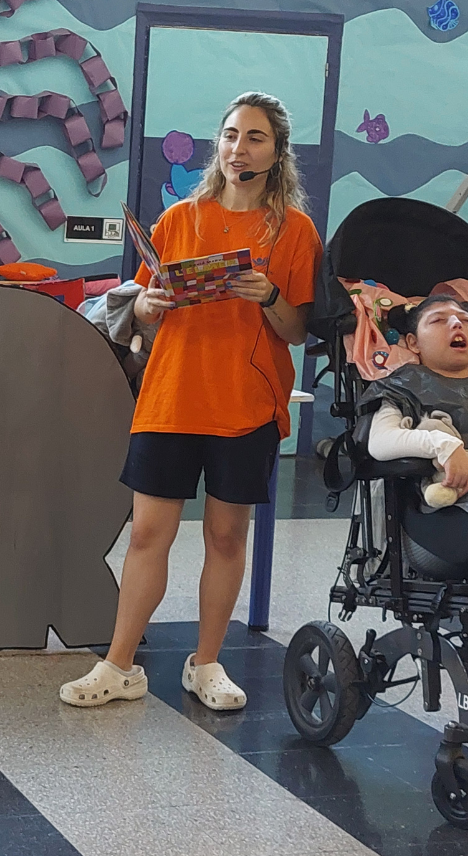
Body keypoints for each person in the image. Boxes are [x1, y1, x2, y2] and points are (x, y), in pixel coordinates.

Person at [60, 91, 322, 711]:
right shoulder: (179, 218)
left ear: (277, 152)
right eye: (231, 135)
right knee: (148, 534)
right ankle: (119, 665)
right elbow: (143, 308)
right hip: (172, 398)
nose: (239, 148)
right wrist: (147, 305)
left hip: (247, 405)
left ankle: (206, 664)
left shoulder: (294, 230)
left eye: (255, 137)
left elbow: (296, 329)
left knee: (226, 537)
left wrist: (267, 296)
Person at [364, 295, 468, 567]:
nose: (457, 324)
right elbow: (380, 442)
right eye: (439, 320)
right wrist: (444, 445)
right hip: (442, 511)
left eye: (465, 320)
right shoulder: (404, 386)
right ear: (413, 343)